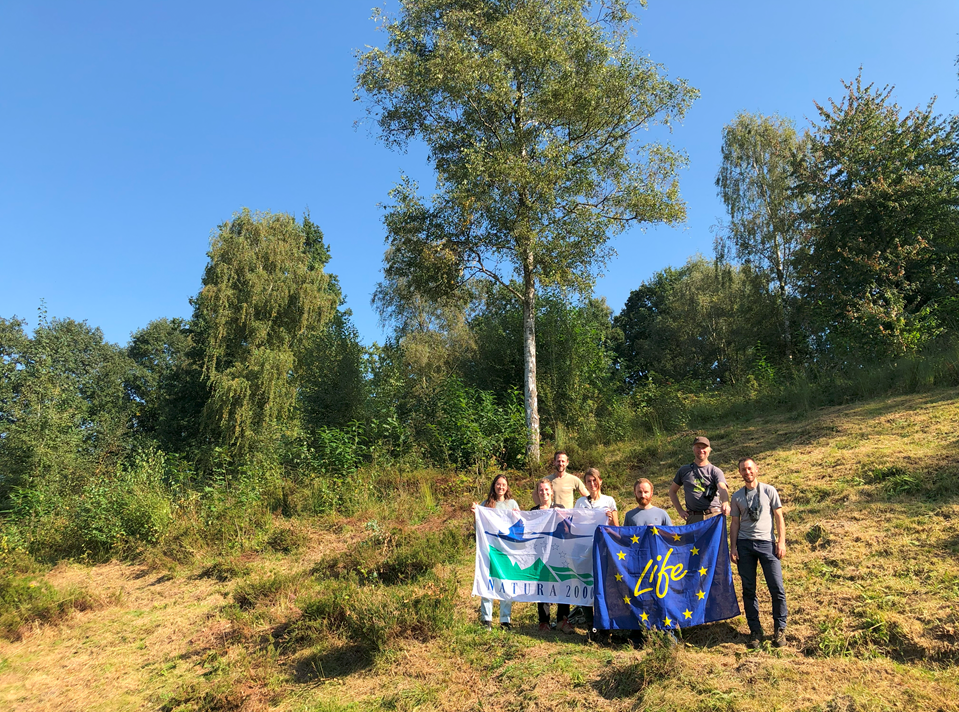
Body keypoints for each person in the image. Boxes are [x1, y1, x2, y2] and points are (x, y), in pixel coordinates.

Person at [729, 457, 787, 649]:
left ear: (756, 469)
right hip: (745, 546)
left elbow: (779, 516)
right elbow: (735, 523)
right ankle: (755, 631)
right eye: (743, 470)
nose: (747, 472)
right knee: (748, 590)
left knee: (776, 588)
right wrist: (733, 547)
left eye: (749, 468)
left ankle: (780, 629)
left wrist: (781, 541)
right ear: (740, 473)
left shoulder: (769, 491)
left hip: (767, 544)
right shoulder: (737, 496)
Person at [471, 474, 520, 630]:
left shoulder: (512, 503)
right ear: (494, 486)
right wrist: (476, 514)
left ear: (507, 487)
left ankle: (505, 619)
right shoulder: (487, 504)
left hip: (506, 550)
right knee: (488, 581)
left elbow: (519, 526)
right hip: (490, 550)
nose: (501, 487)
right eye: (498, 484)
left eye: (503, 484)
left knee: (506, 582)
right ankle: (486, 619)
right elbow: (478, 527)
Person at [574, 468, 618, 639]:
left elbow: (616, 528)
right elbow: (575, 527)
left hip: (603, 550)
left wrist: (608, 518)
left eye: (594, 480)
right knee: (586, 585)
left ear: (600, 481)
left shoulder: (609, 501)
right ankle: (590, 625)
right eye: (588, 481)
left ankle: (604, 626)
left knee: (602, 587)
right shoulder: (580, 503)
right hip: (583, 550)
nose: (592, 484)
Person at [529, 478, 573, 633]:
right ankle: (544, 621)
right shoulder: (533, 511)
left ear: (551, 492)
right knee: (543, 586)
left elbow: (568, 531)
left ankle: (563, 619)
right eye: (541, 490)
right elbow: (528, 531)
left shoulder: (560, 508)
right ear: (537, 492)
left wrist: (563, 518)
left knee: (562, 584)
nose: (544, 492)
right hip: (540, 554)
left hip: (559, 553)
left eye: (546, 490)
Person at [669, 436, 730, 523]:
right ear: (693, 449)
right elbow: (672, 491)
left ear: (709, 450)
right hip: (693, 517)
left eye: (704, 447)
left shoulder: (715, 471)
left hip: (713, 516)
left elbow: (722, 487)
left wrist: (725, 502)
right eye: (698, 447)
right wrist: (680, 510)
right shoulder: (684, 470)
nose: (701, 450)